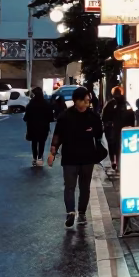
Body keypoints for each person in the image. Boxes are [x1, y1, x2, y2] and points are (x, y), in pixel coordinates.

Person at [48, 87, 105, 228]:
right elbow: (57, 136)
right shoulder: (65, 117)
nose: (87, 103)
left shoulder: (93, 117)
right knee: (70, 187)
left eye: (88, 100)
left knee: (84, 187)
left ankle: (82, 212)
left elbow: (99, 136)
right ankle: (71, 212)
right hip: (69, 158)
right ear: (77, 101)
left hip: (87, 158)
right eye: (85, 100)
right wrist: (52, 153)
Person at [101, 87, 136, 175]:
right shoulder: (126, 104)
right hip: (124, 129)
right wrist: (131, 126)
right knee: (120, 147)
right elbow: (132, 116)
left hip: (112, 129)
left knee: (112, 146)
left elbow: (104, 117)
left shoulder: (110, 103)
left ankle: (114, 162)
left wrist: (107, 125)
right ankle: (119, 164)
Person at [22, 87, 54, 167]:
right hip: (43, 127)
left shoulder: (31, 104)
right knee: (42, 142)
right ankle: (40, 158)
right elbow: (51, 118)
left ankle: (34, 158)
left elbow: (26, 117)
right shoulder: (46, 104)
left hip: (32, 127)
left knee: (34, 142)